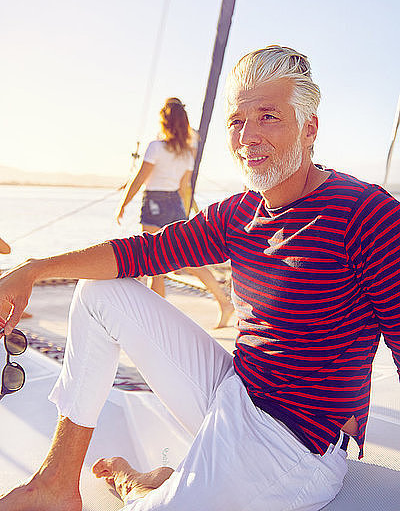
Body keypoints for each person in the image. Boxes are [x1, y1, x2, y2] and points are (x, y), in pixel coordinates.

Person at [1, 44, 399, 511]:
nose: (247, 135)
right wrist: (32, 269)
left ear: (309, 127)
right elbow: (143, 251)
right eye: (237, 120)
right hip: (235, 389)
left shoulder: (366, 214)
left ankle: (148, 488)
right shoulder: (240, 213)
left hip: (295, 446)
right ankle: (56, 485)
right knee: (99, 293)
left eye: (269, 116)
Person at [115, 96, 234, 328]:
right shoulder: (187, 153)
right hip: (176, 205)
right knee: (190, 260)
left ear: (164, 122)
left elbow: (140, 178)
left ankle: (154, 322)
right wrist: (193, 213)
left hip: (154, 204)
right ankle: (223, 302)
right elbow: (184, 188)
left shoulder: (156, 147)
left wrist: (123, 204)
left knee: (153, 265)